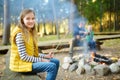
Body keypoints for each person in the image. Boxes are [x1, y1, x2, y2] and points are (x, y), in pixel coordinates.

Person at [10, 9, 59, 80]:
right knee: (51, 66)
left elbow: (31, 53)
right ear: (22, 20)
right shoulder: (20, 34)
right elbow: (24, 57)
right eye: (28, 18)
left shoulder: (29, 32)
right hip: (21, 65)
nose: (31, 21)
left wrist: (46, 56)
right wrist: (42, 60)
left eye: (33, 18)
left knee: (56, 61)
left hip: (27, 62)